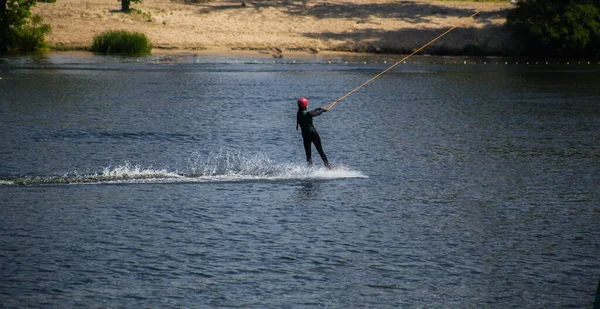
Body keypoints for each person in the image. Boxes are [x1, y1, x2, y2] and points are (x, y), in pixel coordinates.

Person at [296, 97, 331, 169]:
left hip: (305, 135)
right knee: (320, 151)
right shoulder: (308, 114)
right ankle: (328, 167)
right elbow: (316, 114)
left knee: (308, 154)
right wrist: (321, 110)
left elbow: (311, 112)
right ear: (306, 105)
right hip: (313, 134)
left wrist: (317, 108)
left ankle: (310, 169)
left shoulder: (299, 114)